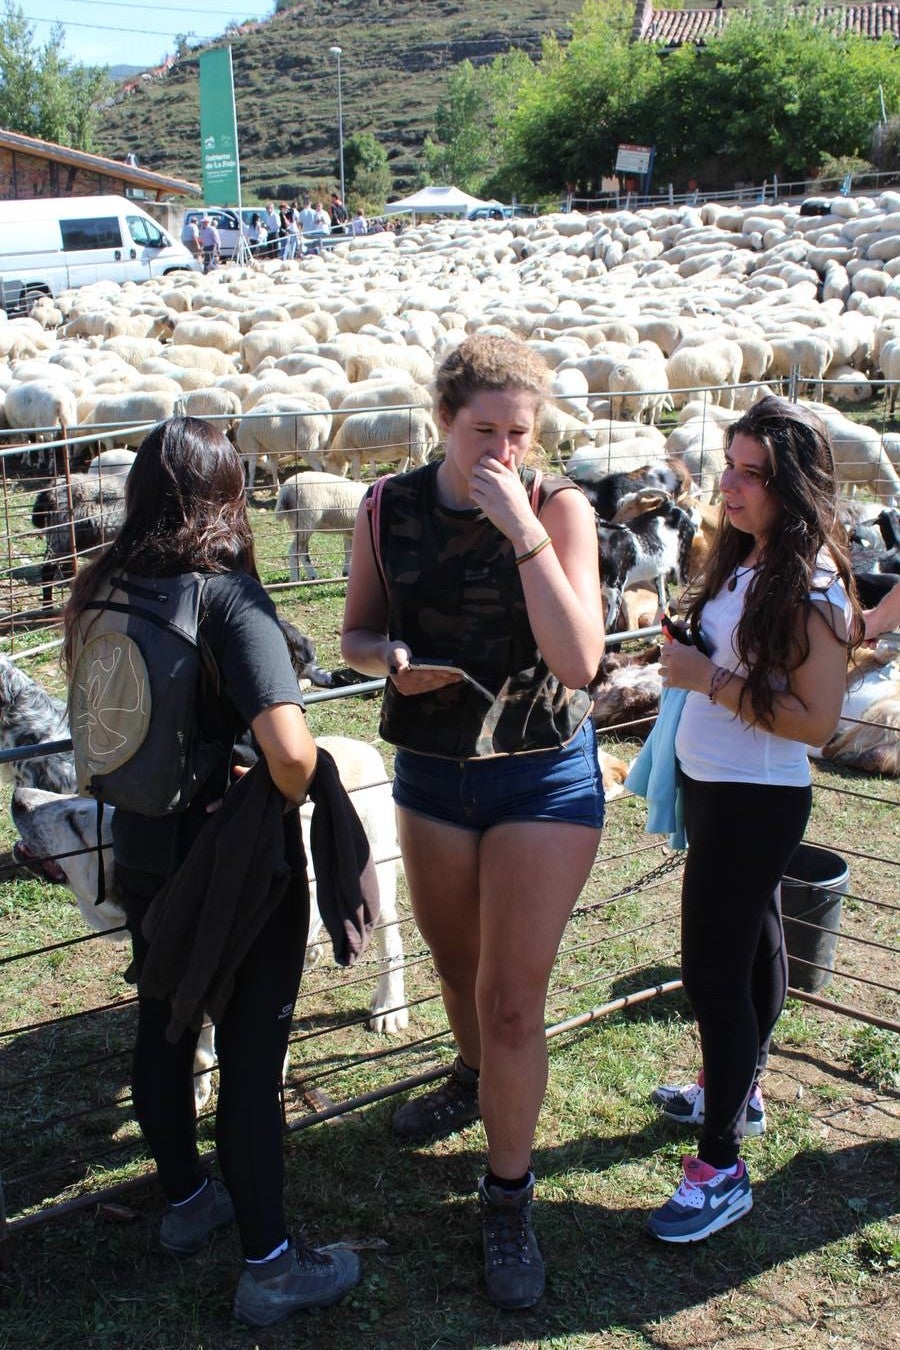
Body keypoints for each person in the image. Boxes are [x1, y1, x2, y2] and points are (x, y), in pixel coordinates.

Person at [62, 419, 360, 1326]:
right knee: (250, 1054)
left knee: (162, 1019)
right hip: (232, 862)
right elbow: (294, 755)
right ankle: (270, 1264)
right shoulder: (231, 600)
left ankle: (189, 1204)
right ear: (229, 496)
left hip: (143, 844)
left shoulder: (100, 585)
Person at [341, 335, 605, 1310]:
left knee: (510, 1000)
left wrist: (523, 533)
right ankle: (467, 1074)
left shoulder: (557, 506)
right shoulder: (386, 507)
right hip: (433, 772)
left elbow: (579, 663)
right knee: (457, 970)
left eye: (519, 434)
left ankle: (507, 1196)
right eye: (482, 431)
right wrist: (392, 656)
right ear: (442, 421)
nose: (501, 451)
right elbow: (357, 632)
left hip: (540, 777)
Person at [647, 396, 862, 1243]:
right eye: (728, 468)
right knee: (760, 944)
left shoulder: (811, 585)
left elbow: (814, 724)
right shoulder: (750, 560)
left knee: (712, 977)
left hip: (757, 799)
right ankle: (740, 1087)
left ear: (795, 486)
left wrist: (704, 679)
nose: (730, 488)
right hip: (716, 786)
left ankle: (721, 1166)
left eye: (752, 475)